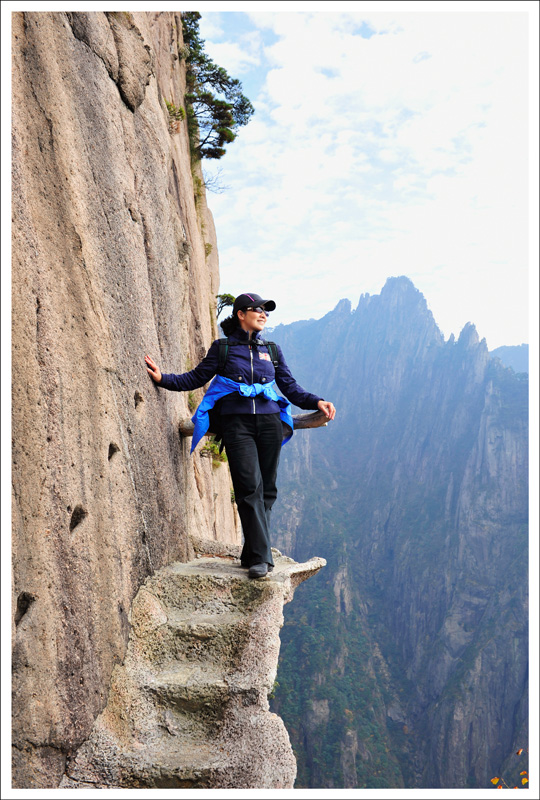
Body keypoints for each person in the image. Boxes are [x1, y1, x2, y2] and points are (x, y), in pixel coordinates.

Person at [145, 292, 336, 579]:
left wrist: (316, 401)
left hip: (271, 422)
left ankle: (252, 554)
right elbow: (195, 378)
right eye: (257, 310)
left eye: (266, 312)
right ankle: (262, 559)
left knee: (267, 490)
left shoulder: (271, 350)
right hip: (237, 425)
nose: (263, 315)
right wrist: (164, 379)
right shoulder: (222, 349)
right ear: (240, 315)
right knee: (249, 487)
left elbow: (289, 386)